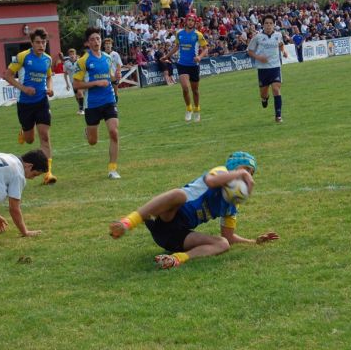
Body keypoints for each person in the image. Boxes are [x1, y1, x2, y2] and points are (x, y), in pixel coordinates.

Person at [108, 151, 279, 269]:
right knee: (179, 195)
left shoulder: (232, 204)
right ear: (233, 168)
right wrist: (239, 174)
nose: (248, 176)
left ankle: (175, 259)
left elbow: (228, 236)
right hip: (166, 217)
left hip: (177, 238)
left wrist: (254, 242)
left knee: (223, 243)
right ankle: (127, 222)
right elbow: (212, 182)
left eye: (251, 173)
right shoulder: (220, 172)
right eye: (245, 170)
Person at [4, 27, 57, 184]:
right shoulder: (22, 57)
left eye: (44, 42)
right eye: (38, 42)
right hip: (25, 104)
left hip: (41, 101)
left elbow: (49, 77)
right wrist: (24, 88)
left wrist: (50, 88)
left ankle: (48, 173)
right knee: (29, 140)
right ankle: (24, 131)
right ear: (32, 43)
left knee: (45, 137)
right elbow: (7, 75)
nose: (41, 45)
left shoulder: (47, 59)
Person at [73, 27, 121, 179]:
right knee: (93, 142)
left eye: (98, 39)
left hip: (109, 99)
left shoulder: (108, 57)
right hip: (92, 103)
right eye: (92, 39)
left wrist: (115, 77)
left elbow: (110, 77)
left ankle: (112, 169)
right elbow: (76, 84)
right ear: (88, 43)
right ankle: (88, 133)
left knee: (114, 132)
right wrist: (95, 83)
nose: (96, 42)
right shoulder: (83, 61)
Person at [162, 13, 208, 122]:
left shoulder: (198, 34)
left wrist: (199, 57)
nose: (190, 22)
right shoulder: (179, 34)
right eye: (189, 20)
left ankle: (197, 109)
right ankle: (188, 108)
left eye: (193, 20)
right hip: (182, 64)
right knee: (185, 88)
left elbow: (205, 48)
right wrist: (166, 56)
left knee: (195, 90)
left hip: (194, 65)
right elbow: (177, 47)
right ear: (186, 21)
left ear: (195, 22)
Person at [247, 14, 289, 123]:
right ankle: (264, 98)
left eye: (271, 23)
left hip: (275, 67)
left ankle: (278, 116)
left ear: (274, 24)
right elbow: (250, 51)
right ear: (263, 25)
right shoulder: (257, 37)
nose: (268, 25)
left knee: (276, 89)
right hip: (263, 69)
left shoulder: (278, 35)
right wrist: (258, 57)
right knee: (264, 93)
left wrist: (283, 51)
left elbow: (280, 44)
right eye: (266, 23)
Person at [63, 48, 85, 115]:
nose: (72, 55)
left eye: (73, 54)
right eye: (70, 54)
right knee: (76, 97)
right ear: (68, 55)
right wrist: (67, 84)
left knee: (80, 93)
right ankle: (82, 107)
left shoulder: (79, 61)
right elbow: (65, 74)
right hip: (73, 82)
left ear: (76, 55)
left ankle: (81, 110)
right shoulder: (66, 63)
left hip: (80, 81)